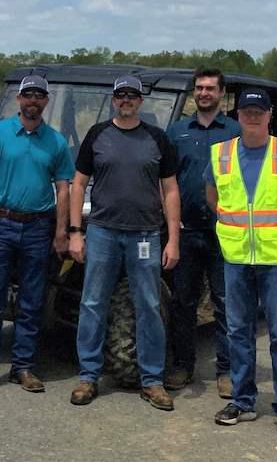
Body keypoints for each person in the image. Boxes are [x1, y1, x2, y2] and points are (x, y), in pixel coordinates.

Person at [206, 88, 277, 437]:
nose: (253, 116)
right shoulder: (220, 154)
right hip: (237, 257)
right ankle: (242, 401)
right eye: (247, 110)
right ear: (237, 114)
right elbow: (214, 200)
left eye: (259, 111)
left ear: (269, 115)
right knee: (238, 332)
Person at [68, 75, 180, 411]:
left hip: (145, 233)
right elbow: (78, 184)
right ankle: (88, 375)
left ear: (141, 101)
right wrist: (75, 232)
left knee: (148, 305)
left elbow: (171, 190)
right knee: (92, 303)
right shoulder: (98, 135)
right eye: (121, 95)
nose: (126, 100)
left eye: (132, 95)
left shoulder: (156, 139)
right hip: (102, 231)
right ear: (113, 99)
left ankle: (152, 380)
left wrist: (173, 238)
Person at [0, 75, 74, 395]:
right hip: (2, 223)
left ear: (46, 101)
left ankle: (23, 367)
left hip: (38, 227)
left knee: (32, 300)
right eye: (27, 95)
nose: (33, 101)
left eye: (39, 96)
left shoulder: (55, 141)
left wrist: (61, 231)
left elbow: (63, 188)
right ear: (19, 99)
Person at [165, 68, 241, 398]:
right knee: (183, 302)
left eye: (210, 88)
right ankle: (183, 365)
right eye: (199, 88)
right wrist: (169, 221)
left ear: (221, 93)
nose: (204, 93)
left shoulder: (236, 131)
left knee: (226, 303)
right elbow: (165, 179)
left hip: (224, 232)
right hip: (185, 230)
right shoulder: (177, 131)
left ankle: (226, 371)